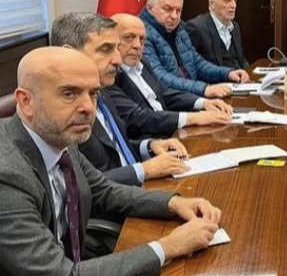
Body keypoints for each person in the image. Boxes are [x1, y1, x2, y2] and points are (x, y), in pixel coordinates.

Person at [0, 47, 221, 276]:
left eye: (93, 94)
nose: (87, 107)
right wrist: (169, 246)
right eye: (69, 93)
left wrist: (173, 203)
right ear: (26, 101)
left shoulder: (58, 133)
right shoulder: (7, 173)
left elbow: (104, 190)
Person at [50, 12, 190, 185]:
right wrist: (143, 170)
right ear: (70, 54)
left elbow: (116, 148)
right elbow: (80, 185)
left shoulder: (102, 90)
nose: (117, 59)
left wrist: (149, 146)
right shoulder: (58, 112)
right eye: (106, 49)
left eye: (117, 48)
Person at [107, 13, 233, 139]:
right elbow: (137, 118)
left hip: (171, 132)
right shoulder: (109, 76)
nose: (137, 45)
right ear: (112, 41)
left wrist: (203, 103)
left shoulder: (143, 62)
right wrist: (193, 118)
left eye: (142, 39)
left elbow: (164, 93)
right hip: (152, 141)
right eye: (129, 37)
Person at [139, 0, 250, 97]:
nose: (174, 16)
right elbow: (158, 76)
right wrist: (204, 89)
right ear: (150, 8)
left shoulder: (180, 30)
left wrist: (228, 73)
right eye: (168, 9)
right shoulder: (141, 34)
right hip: (169, 101)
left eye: (178, 10)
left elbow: (198, 63)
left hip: (190, 95)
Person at [184, 0, 248, 69]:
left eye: (235, 0)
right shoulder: (196, 27)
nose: (233, 5)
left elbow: (242, 60)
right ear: (212, 4)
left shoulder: (235, 26)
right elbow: (192, 65)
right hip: (215, 77)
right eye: (227, 0)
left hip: (240, 76)